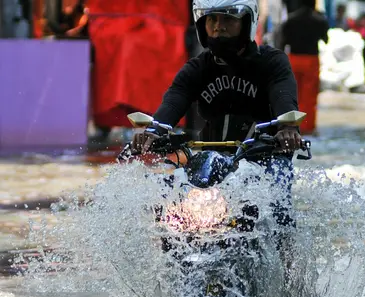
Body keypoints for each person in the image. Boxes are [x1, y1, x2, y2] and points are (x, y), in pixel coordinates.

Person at [129, 0, 304, 267]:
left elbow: (283, 96)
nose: (219, 27)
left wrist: (287, 128)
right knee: (167, 199)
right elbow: (175, 98)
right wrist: (153, 131)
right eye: (212, 20)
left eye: (227, 19)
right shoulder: (198, 68)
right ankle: (167, 275)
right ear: (202, 25)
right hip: (210, 159)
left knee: (279, 205)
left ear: (247, 22)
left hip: (264, 155)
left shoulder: (272, 62)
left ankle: (289, 276)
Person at [277, 0, 329, 135]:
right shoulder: (320, 20)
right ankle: (307, 128)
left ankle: (290, 127)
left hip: (293, 59)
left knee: (292, 94)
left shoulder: (290, 20)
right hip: (311, 60)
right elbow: (326, 39)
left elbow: (282, 43)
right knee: (309, 96)